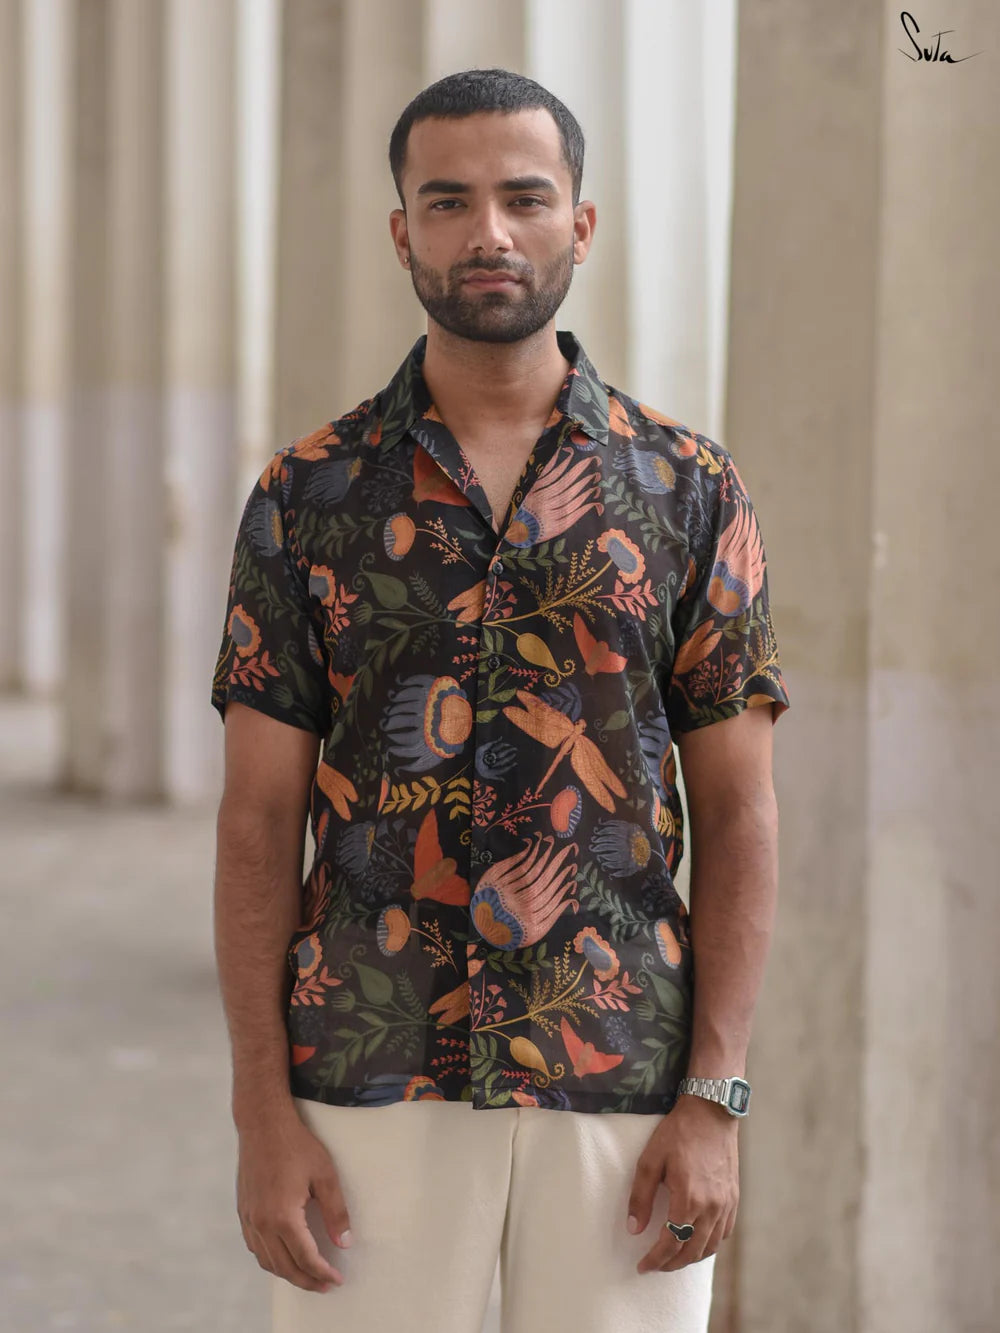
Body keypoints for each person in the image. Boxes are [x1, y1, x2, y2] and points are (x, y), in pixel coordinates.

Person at [211, 67, 790, 1333]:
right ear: (401, 230)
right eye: (449, 200)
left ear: (579, 225)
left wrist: (717, 1099)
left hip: (621, 1075)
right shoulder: (308, 494)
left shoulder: (690, 491)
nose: (489, 233)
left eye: (524, 198)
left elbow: (740, 816)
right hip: (363, 1073)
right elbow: (259, 819)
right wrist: (262, 1107)